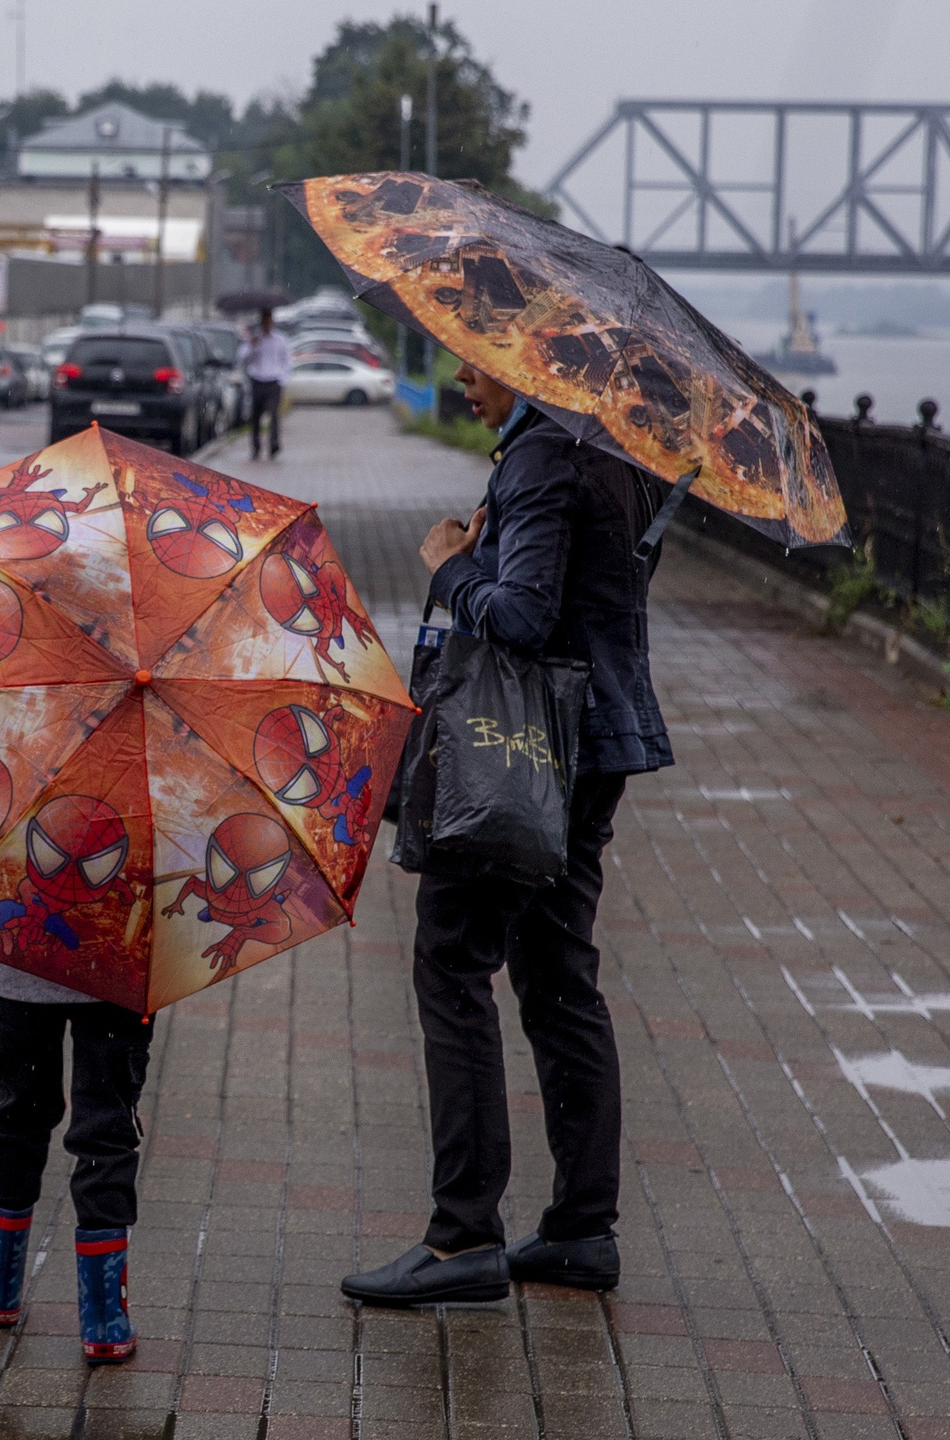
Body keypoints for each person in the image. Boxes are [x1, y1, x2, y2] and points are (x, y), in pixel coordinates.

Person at [340, 362, 672, 1307]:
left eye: (470, 360)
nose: (455, 377)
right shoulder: (609, 452)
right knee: (560, 976)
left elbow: (523, 618)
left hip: (524, 753)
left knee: (451, 963)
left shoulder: (540, 459)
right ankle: (579, 1230)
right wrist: (486, 551)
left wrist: (450, 564)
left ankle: (462, 1240)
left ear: (520, 362)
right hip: (596, 742)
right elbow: (584, 596)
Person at [0, 957, 146, 1365]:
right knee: (106, 1134)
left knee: (18, 1119)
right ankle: (105, 1323)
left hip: (20, 966)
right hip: (118, 977)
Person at [236, 309, 291, 460]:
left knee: (273, 414)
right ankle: (256, 447)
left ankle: (273, 445)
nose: (267, 324)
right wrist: (252, 346)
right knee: (256, 417)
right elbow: (241, 359)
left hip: (273, 381)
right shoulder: (254, 339)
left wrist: (283, 380)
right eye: (264, 321)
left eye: (269, 321)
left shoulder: (280, 339)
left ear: (272, 322)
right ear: (261, 322)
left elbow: (286, 361)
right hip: (257, 381)